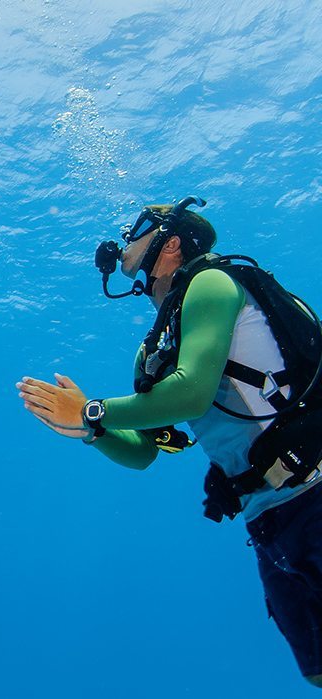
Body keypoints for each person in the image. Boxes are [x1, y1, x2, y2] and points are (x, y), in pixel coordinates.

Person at [17, 198, 322, 686]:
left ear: (172, 243)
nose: (124, 239)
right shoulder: (153, 349)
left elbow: (191, 392)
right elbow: (142, 453)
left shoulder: (211, 282)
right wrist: (91, 430)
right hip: (268, 520)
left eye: (137, 229)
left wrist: (93, 409)